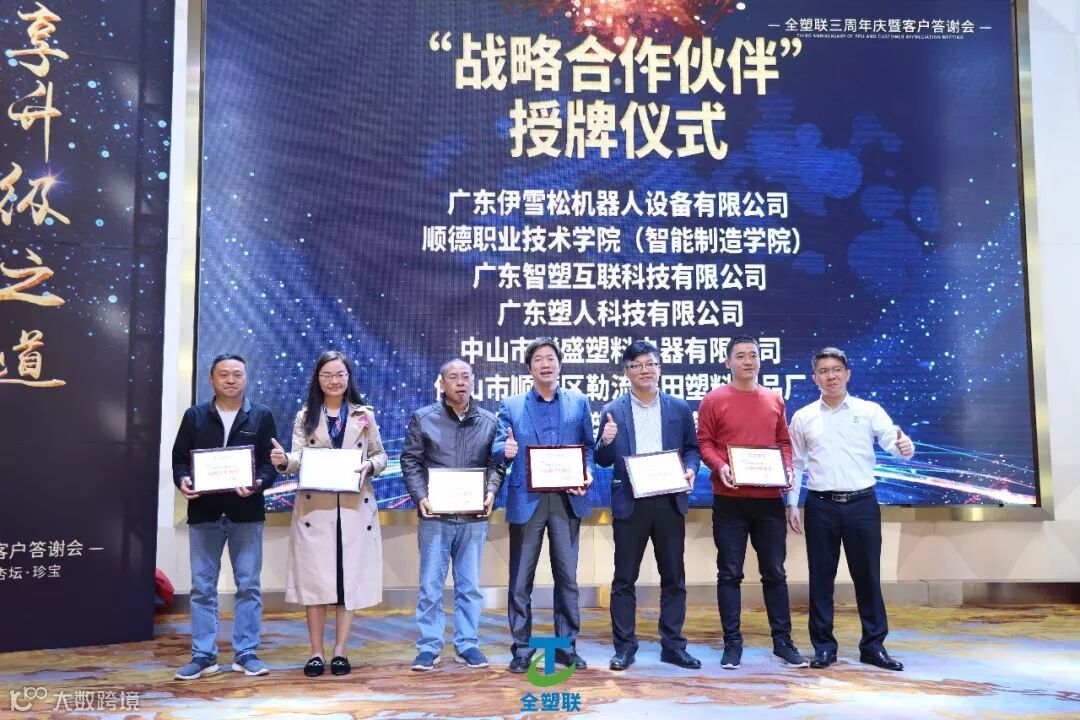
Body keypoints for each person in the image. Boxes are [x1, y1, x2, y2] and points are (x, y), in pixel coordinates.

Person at [787, 347, 915, 672]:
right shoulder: (803, 417)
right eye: (823, 371)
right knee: (821, 579)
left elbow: (893, 441)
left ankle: (873, 646)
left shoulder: (869, 410)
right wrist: (792, 503)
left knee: (867, 576)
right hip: (820, 505)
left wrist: (904, 447)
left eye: (836, 370)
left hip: (862, 504)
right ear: (814, 378)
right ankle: (823, 648)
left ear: (847, 374)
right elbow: (796, 464)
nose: (831, 376)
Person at [270, 350, 386, 677]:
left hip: (353, 510)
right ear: (318, 379)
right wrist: (284, 461)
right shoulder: (305, 416)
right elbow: (298, 458)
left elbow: (381, 455)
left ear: (348, 378)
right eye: (327, 375)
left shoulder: (364, 415)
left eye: (340, 375)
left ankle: (340, 651)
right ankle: (316, 653)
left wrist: (370, 465)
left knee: (347, 583)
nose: (334, 381)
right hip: (316, 511)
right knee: (316, 584)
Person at [697, 335, 808, 670]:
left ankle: (783, 642)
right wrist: (721, 466)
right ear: (727, 362)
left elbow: (783, 443)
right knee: (729, 573)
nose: (748, 361)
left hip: (768, 502)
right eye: (740, 356)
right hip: (729, 501)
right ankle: (732, 644)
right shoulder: (714, 399)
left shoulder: (774, 398)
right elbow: (705, 443)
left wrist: (787, 470)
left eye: (753, 355)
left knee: (775, 572)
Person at [594, 340, 702, 671]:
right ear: (626, 372)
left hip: (669, 500)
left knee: (674, 578)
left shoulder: (678, 407)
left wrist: (690, 469)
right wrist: (607, 440)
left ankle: (673, 646)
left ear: (659, 368)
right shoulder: (613, 410)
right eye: (637, 365)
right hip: (631, 502)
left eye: (650, 364)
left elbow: (692, 449)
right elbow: (602, 459)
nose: (645, 370)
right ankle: (624, 648)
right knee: (624, 579)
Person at [171, 353, 277, 680]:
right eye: (224, 374)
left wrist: (259, 482)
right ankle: (203, 655)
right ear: (211, 379)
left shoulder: (261, 415)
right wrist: (183, 480)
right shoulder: (194, 416)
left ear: (246, 378)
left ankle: (246, 653)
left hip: (246, 513)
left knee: (249, 586)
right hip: (205, 513)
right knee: (202, 588)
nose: (231, 379)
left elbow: (269, 463)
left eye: (237, 374)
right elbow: (179, 459)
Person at [492, 337, 594, 673]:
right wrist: (503, 451)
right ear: (529, 367)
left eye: (550, 358)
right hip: (527, 500)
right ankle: (522, 648)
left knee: (567, 578)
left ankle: (566, 646)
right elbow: (498, 446)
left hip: (567, 500)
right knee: (521, 579)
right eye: (538, 359)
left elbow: (588, 448)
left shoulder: (579, 402)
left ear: (560, 364)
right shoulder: (511, 405)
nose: (545, 364)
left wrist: (588, 472)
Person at [401, 359, 505, 672]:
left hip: (473, 517)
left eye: (465, 377)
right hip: (435, 516)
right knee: (430, 586)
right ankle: (429, 646)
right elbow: (410, 461)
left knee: (469, 586)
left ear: (473, 381)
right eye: (453, 377)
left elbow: (497, 464)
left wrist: (491, 491)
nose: (460, 382)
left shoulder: (489, 421)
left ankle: (467, 644)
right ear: (442, 383)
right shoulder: (423, 418)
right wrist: (420, 496)